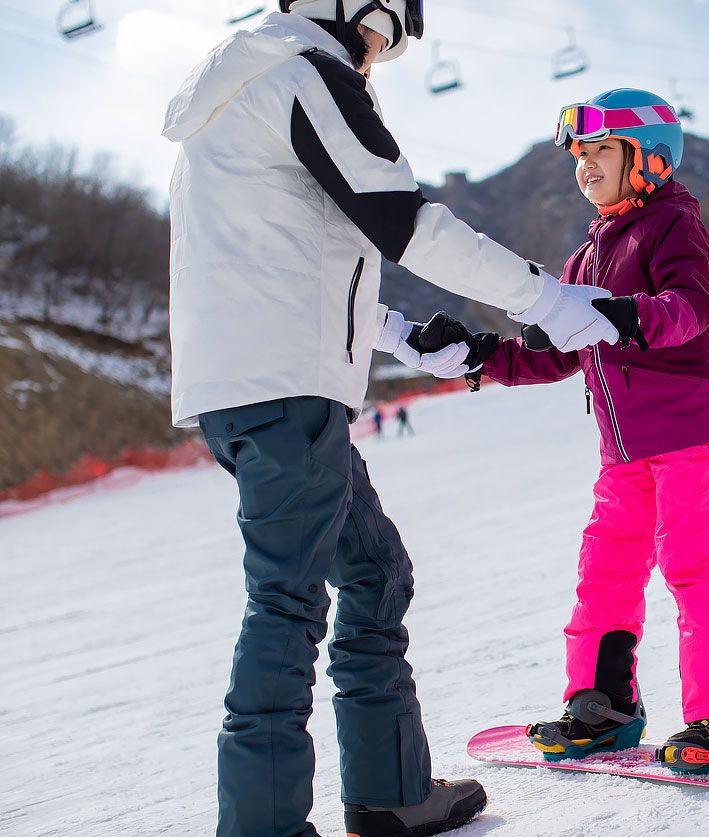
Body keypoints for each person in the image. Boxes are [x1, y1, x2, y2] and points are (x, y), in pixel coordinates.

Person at [161, 3, 617, 836]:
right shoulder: (309, 74)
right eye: (384, 36)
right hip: (286, 386)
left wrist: (401, 335)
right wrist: (547, 300)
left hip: (252, 379)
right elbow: (405, 223)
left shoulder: (236, 94)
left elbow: (284, 259)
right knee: (288, 599)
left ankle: (391, 793)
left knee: (375, 572)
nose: (378, 56)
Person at [458, 89, 709, 774]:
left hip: (689, 433)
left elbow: (686, 309)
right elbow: (555, 355)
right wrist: (481, 355)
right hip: (623, 453)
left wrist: (623, 315)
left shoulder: (673, 226)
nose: (586, 165)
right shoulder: (585, 259)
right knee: (605, 573)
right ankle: (603, 705)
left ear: (650, 158)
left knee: (695, 567)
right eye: (580, 154)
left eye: (602, 150)